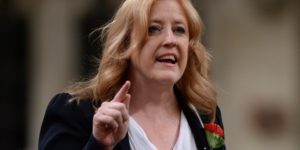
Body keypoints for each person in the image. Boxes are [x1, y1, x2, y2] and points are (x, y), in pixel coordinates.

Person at [38, 0, 226, 149]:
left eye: (179, 30)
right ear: (126, 43)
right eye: (153, 29)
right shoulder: (75, 113)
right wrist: (100, 145)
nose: (170, 40)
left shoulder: (205, 115)